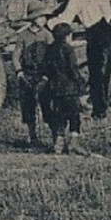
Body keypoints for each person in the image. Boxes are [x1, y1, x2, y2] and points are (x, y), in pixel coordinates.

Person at [49, 0, 111, 120]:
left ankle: (100, 111)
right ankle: (106, 102)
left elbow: (66, 19)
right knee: (108, 69)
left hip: (96, 35)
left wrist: (49, 23)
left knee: (96, 74)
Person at [42, 22, 85, 154]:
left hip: (55, 88)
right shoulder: (68, 49)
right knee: (74, 116)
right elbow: (73, 69)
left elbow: (45, 68)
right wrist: (80, 83)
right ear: (66, 36)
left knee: (59, 116)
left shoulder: (49, 49)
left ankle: (58, 145)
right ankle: (74, 143)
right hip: (69, 88)